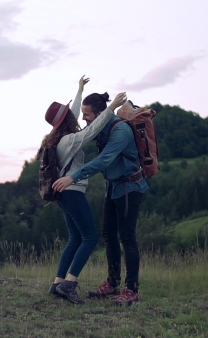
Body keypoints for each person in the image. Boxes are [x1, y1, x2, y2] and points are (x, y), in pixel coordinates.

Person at [52, 91, 149, 306]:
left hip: (129, 188)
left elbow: (104, 160)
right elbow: (78, 128)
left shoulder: (120, 130)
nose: (84, 119)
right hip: (112, 187)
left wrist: (73, 177)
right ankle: (113, 283)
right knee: (108, 235)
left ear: (99, 113)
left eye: (87, 115)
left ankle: (131, 288)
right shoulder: (100, 127)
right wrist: (78, 92)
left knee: (127, 237)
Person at [42, 75, 127, 304]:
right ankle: (69, 284)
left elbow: (75, 113)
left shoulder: (56, 139)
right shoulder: (70, 140)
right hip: (72, 192)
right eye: (71, 114)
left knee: (74, 238)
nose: (75, 115)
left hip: (62, 194)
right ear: (67, 120)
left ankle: (58, 283)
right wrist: (111, 108)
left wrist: (79, 90)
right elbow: (91, 131)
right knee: (89, 238)